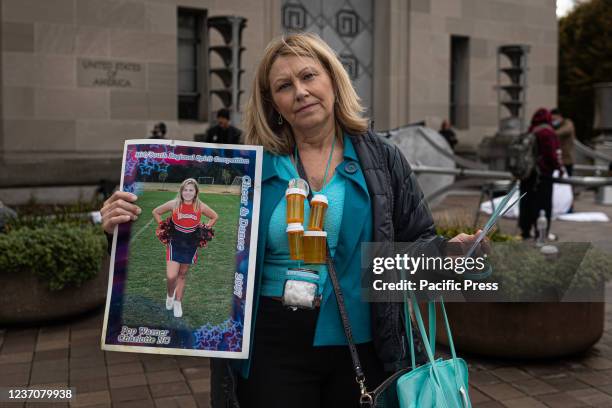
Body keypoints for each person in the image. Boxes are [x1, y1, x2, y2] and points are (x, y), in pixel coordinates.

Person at [101, 33, 484, 407]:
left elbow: (416, 238)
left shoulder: (383, 159)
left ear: (333, 80)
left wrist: (446, 252)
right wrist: (124, 226)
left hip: (362, 343)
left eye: (309, 76)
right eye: (284, 86)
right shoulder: (244, 167)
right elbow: (202, 242)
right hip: (269, 347)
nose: (300, 91)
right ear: (274, 104)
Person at [151, 178, 218, 318]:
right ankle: (170, 296)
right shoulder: (174, 204)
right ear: (181, 191)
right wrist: (163, 226)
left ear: (196, 192)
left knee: (181, 275)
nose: (188, 193)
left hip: (190, 243)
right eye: (185, 190)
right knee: (171, 276)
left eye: (191, 190)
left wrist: (205, 229)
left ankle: (177, 302)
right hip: (175, 241)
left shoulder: (200, 206)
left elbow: (214, 216)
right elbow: (156, 212)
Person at [518, 108, 563, 241]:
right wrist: (558, 168)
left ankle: (525, 231)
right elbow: (551, 154)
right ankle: (541, 233)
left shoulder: (531, 130)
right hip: (542, 175)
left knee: (526, 202)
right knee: (543, 204)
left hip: (527, 173)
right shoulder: (547, 132)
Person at [551, 108, 575, 177]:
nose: (553, 121)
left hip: (566, 160)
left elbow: (566, 130)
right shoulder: (555, 126)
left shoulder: (568, 123)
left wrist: (550, 133)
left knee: (567, 182)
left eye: (554, 119)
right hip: (556, 160)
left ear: (559, 116)